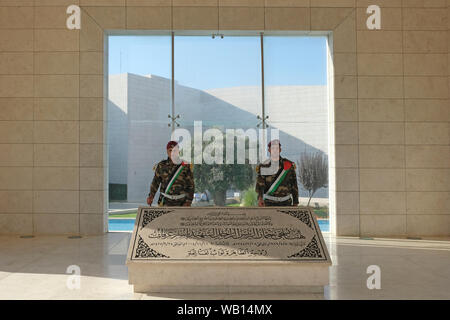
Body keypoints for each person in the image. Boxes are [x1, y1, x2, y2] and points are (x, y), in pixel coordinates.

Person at [146, 141, 194, 207]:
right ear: (167, 151)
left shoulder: (185, 165)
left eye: (175, 150)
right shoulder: (161, 165)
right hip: (165, 202)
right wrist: (151, 196)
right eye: (170, 150)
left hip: (182, 202)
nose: (172, 153)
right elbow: (155, 182)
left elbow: (191, 185)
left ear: (178, 151)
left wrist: (188, 201)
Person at [255, 139, 299, 207]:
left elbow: (294, 184)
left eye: (277, 148)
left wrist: (295, 202)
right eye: (272, 148)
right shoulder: (263, 166)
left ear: (280, 150)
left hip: (286, 203)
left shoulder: (288, 165)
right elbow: (260, 186)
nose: (275, 150)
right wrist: (260, 199)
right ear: (269, 150)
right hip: (269, 203)